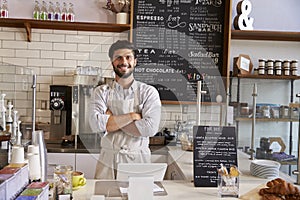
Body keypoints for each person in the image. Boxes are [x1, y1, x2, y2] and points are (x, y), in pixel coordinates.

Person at [89, 40, 162, 179]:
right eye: (118, 57)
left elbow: (150, 129)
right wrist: (133, 116)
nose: (124, 61)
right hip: (108, 160)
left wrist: (111, 120)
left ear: (135, 61)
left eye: (128, 57)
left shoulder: (148, 92)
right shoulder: (100, 92)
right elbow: (95, 124)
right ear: (112, 62)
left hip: (138, 160)